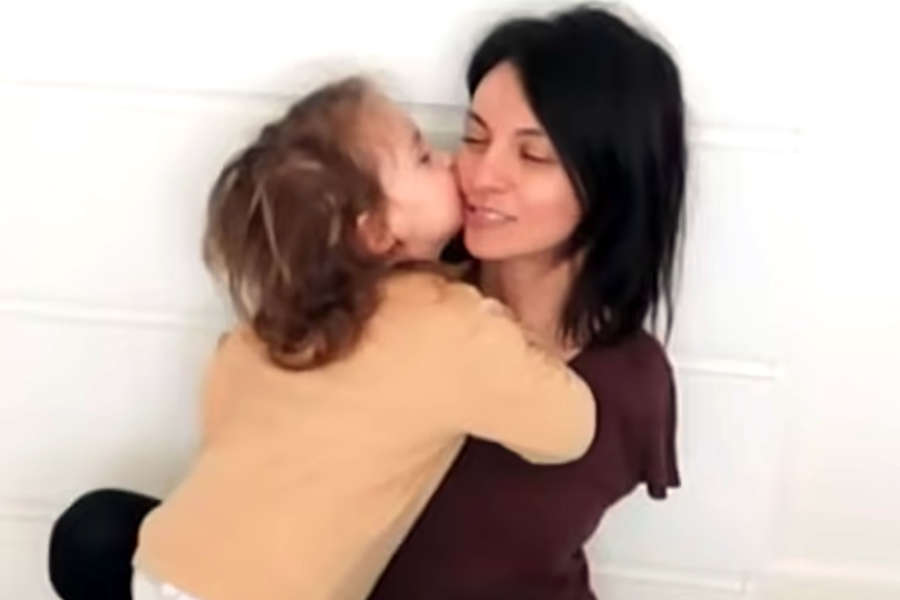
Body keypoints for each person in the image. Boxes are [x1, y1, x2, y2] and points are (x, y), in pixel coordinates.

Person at [49, 6, 685, 599]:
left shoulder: (624, 382)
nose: (479, 174)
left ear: (614, 182)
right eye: (473, 137)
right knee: (94, 534)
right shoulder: (367, 297)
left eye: (532, 154)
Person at [126, 76, 595, 600]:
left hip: (164, 559)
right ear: (375, 232)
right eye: (423, 157)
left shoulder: (268, 326)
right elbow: (568, 429)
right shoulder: (450, 326)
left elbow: (221, 409)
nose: (449, 161)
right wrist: (513, 328)